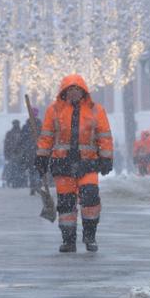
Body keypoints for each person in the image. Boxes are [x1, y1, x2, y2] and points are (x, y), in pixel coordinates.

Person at [35, 74, 113, 253]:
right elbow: (46, 136)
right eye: (70, 89)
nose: (74, 92)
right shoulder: (54, 110)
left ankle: (90, 235)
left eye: (77, 89)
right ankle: (68, 240)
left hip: (88, 163)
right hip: (62, 164)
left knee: (90, 197)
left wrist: (106, 158)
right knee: (66, 204)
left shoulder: (96, 110)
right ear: (64, 91)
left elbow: (105, 136)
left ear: (83, 91)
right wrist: (41, 157)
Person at [21, 108, 42, 194]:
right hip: (33, 150)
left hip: (35, 150)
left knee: (35, 169)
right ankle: (35, 186)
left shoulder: (38, 125)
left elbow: (22, 138)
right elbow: (22, 138)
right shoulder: (29, 126)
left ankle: (35, 185)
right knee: (34, 169)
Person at [4, 119, 25, 187]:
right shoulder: (22, 133)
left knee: (15, 169)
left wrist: (6, 154)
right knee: (17, 169)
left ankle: (16, 182)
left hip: (16, 153)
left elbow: (6, 145)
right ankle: (17, 182)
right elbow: (6, 144)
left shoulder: (11, 133)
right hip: (17, 153)